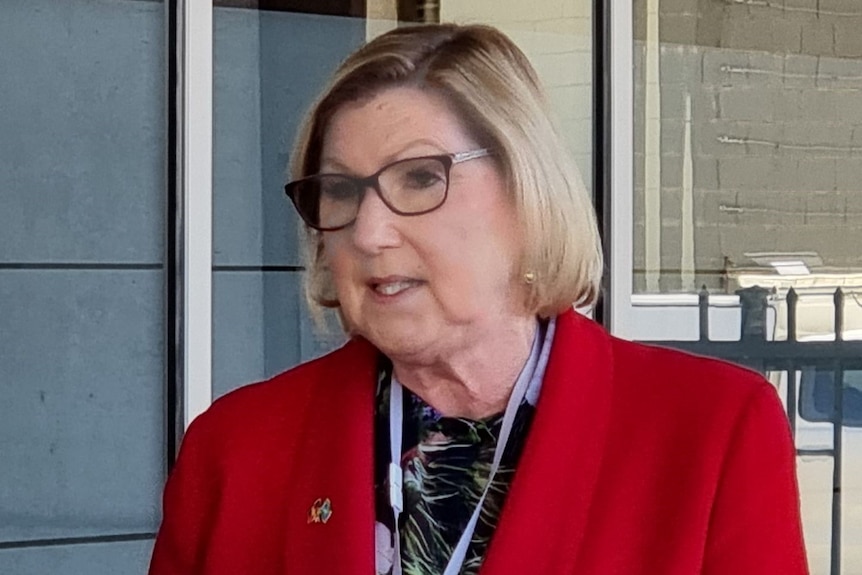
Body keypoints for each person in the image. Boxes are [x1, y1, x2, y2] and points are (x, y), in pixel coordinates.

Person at [149, 23, 808, 575]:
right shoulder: (236, 449)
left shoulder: (713, 432)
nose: (369, 232)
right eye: (342, 191)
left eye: (418, 178)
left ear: (527, 192)